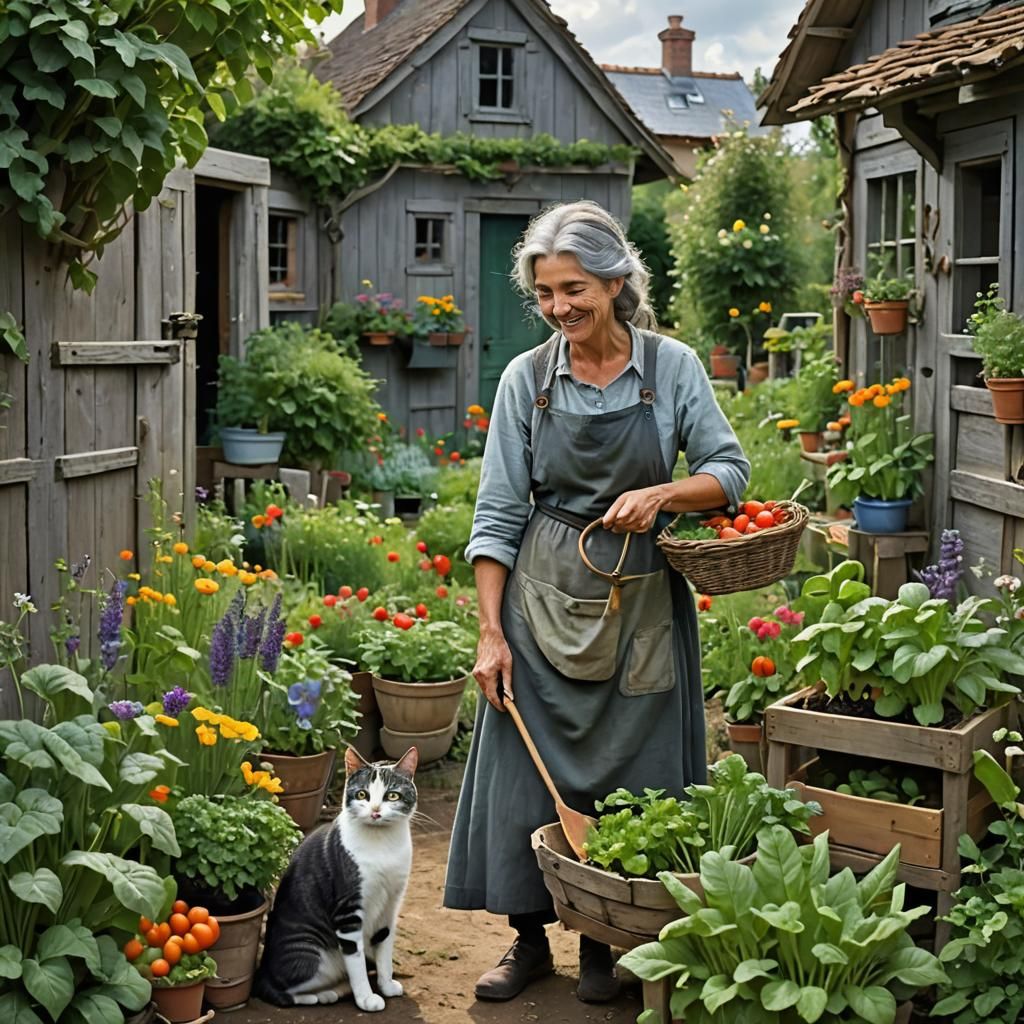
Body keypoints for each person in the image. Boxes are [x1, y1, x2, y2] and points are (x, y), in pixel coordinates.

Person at [442, 200, 750, 1004]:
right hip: (541, 601)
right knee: (526, 771)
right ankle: (527, 940)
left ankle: (607, 942)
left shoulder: (670, 368)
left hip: (641, 600)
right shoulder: (528, 380)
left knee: (636, 774)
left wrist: (665, 493)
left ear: (615, 283)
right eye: (546, 293)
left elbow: (729, 471)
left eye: (574, 288)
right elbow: (496, 514)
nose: (559, 307)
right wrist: (490, 633)